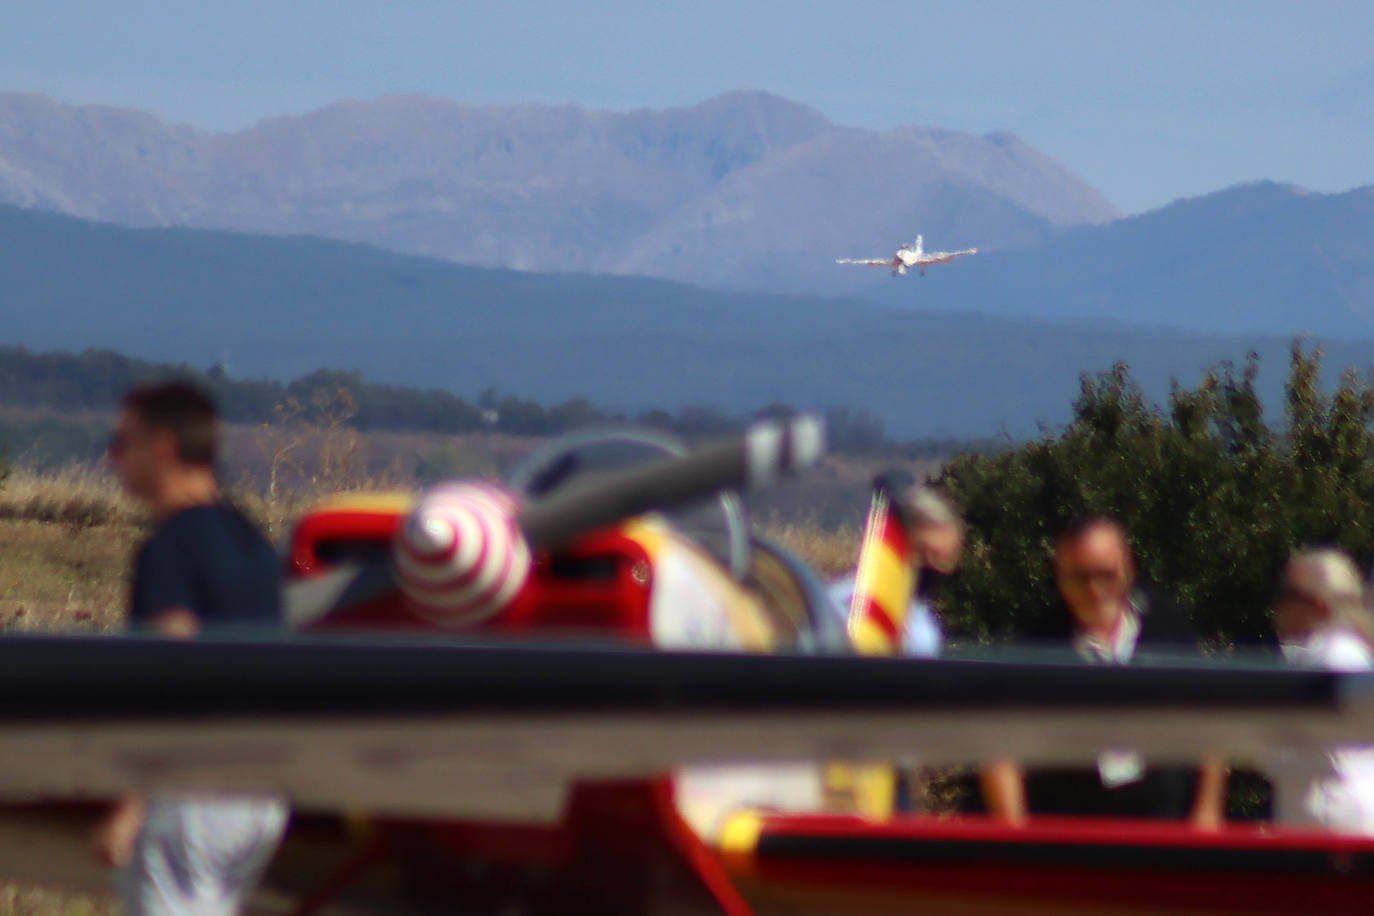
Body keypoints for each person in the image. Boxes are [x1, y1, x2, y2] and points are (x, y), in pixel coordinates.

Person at [92, 381, 289, 914]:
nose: (112, 458)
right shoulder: (251, 542)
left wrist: (133, 804)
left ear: (162, 447)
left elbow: (171, 675)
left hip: (192, 794)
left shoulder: (171, 548)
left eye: (121, 442)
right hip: (260, 798)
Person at [980, 516, 1227, 828]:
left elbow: (1211, 718)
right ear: (1060, 577)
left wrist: (1207, 812)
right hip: (1075, 839)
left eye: (1106, 575)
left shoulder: (1167, 626)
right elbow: (1000, 749)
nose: (1095, 590)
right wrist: (1017, 844)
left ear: (1128, 568)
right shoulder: (1038, 646)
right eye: (1081, 578)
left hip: (1165, 830)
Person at [1265, 548, 1374, 833]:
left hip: (1338, 828)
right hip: (1330, 824)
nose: (1279, 606)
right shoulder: (1327, 654)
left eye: (1287, 594)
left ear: (1318, 604)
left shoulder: (1335, 657)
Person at [828, 484, 964, 658]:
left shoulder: (921, 618)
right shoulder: (855, 606)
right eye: (924, 552)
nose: (936, 566)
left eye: (946, 557)